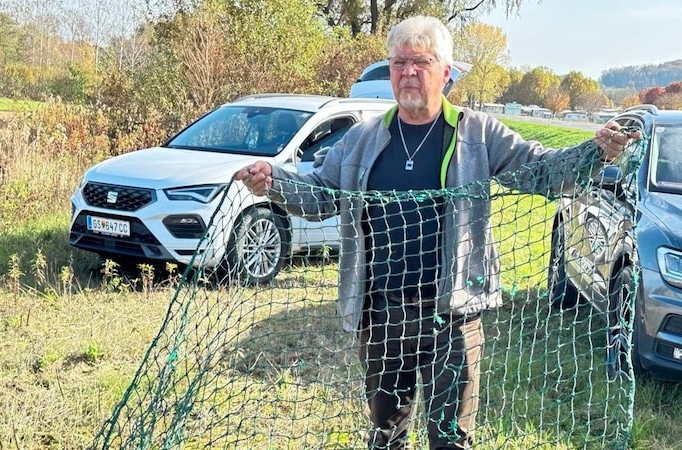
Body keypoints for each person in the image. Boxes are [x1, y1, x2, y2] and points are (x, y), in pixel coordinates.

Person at [235, 15, 638, 450]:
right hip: (382, 316)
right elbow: (320, 194)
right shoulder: (362, 139)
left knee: (451, 440)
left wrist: (594, 154)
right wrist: (274, 181)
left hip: (455, 318)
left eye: (420, 62)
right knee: (386, 435)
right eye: (398, 63)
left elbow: (541, 172)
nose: (407, 72)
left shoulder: (478, 134)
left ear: (445, 73)